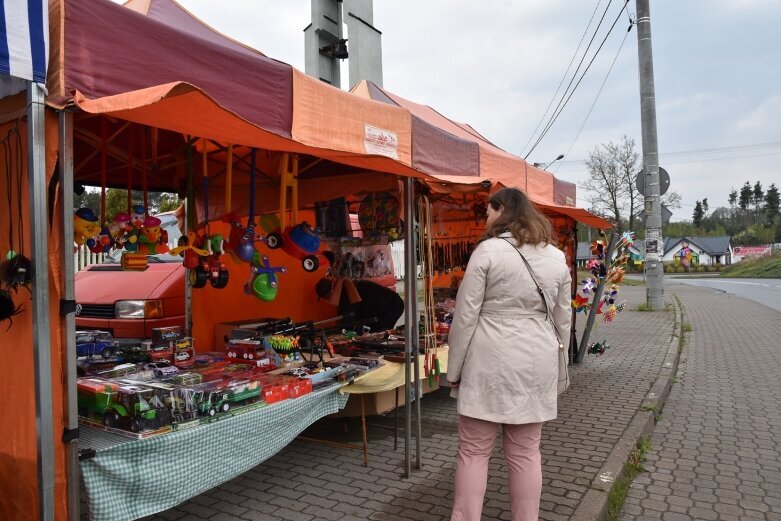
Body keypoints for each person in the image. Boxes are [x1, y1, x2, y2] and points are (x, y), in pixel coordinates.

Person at [447, 187, 572, 521]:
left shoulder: (487, 251)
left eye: (489, 210)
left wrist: (454, 370)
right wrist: (559, 370)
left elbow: (465, 316)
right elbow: (562, 320)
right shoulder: (556, 258)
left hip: (487, 358)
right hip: (536, 359)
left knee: (473, 452)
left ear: (502, 209)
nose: (486, 217)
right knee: (526, 453)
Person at [315, 277, 404, 332]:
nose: (328, 301)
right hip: (384, 305)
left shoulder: (346, 291)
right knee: (369, 330)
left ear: (332, 292)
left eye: (327, 298)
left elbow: (349, 317)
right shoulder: (345, 289)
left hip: (391, 306)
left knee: (374, 334)